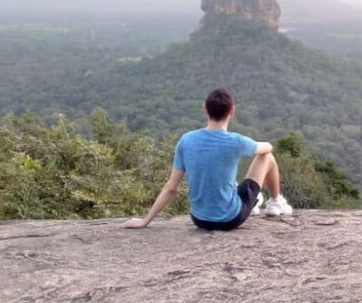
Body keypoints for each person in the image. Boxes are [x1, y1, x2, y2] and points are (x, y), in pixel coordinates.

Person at [121, 88, 293, 230]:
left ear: (205, 110)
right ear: (232, 111)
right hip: (230, 219)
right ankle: (275, 202)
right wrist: (261, 145)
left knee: (228, 180)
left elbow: (170, 188)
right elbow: (268, 147)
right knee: (267, 157)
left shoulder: (186, 140)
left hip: (199, 219)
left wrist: (145, 221)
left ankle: (254, 201)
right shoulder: (237, 141)